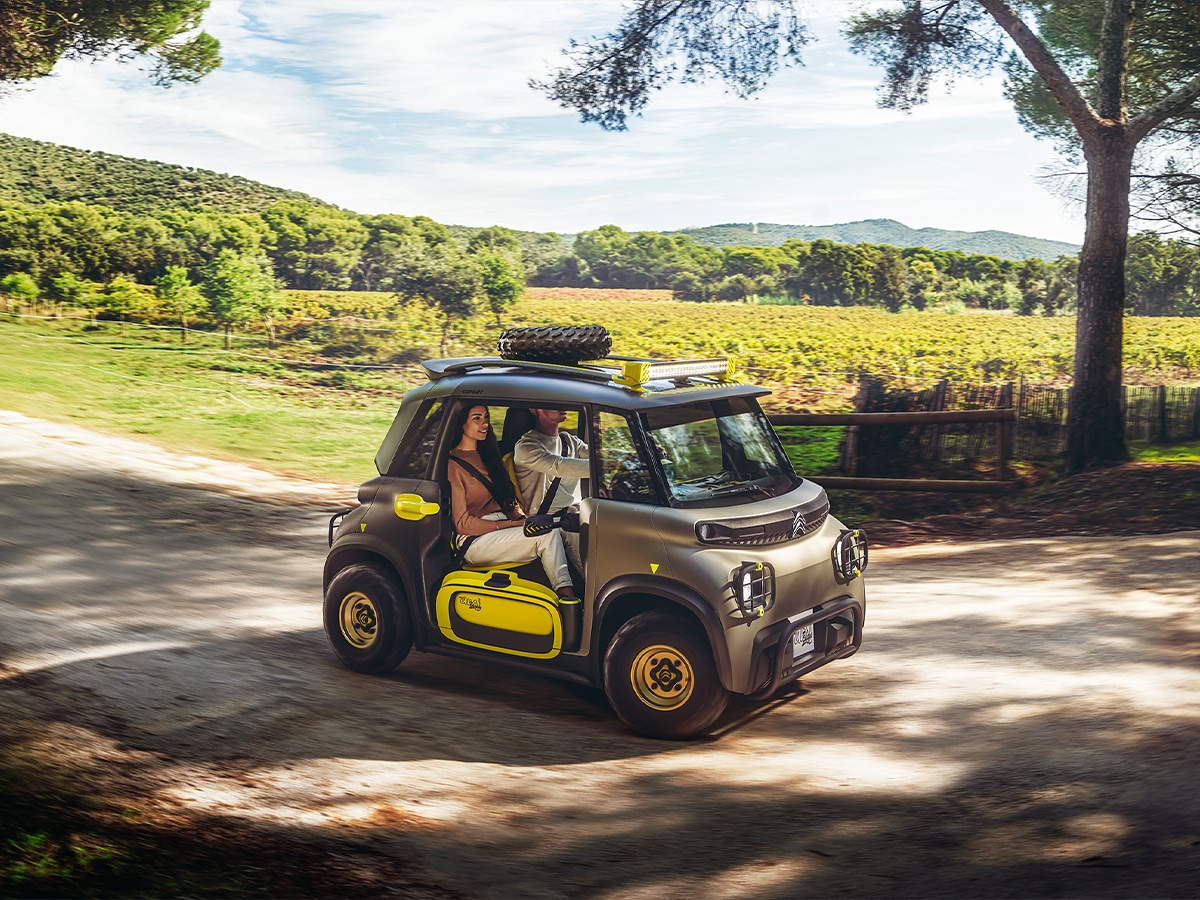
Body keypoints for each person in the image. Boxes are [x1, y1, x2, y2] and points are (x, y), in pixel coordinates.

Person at [447, 405, 576, 600]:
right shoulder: (453, 465)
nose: (485, 423)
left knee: (559, 527)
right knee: (547, 536)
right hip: (474, 540)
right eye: (476, 418)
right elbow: (462, 524)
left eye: (486, 417)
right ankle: (568, 600)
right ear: (462, 424)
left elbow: (509, 500)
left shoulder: (490, 455)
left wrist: (521, 518)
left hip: (503, 529)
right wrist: (510, 524)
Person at [513, 408, 589, 571]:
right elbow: (560, 466)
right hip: (546, 522)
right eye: (553, 403)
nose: (562, 407)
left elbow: (596, 455)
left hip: (570, 514)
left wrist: (629, 458)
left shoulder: (569, 441)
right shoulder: (526, 447)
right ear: (535, 410)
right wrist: (607, 465)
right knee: (594, 569)